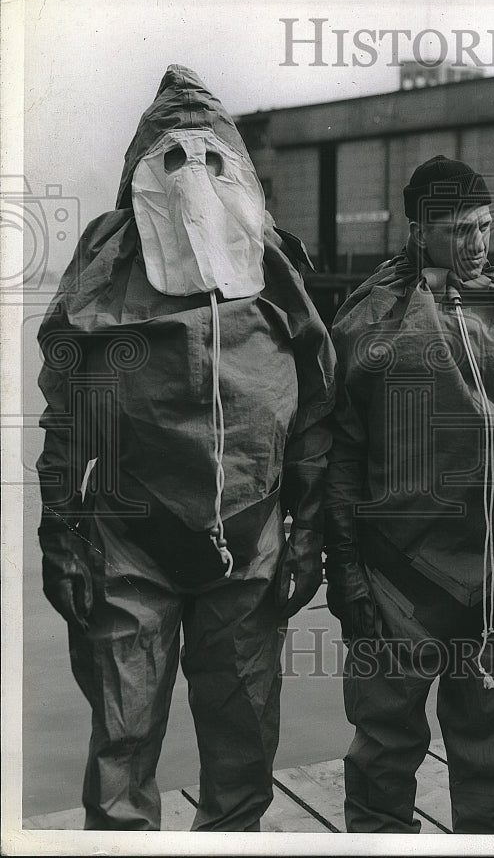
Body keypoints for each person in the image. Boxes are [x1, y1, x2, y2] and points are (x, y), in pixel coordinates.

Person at [35, 64, 336, 831]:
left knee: (242, 743)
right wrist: (60, 533)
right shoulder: (105, 269)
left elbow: (313, 403)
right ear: (142, 170)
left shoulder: (274, 265)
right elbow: (70, 412)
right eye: (172, 158)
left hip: (250, 536)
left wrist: (309, 532)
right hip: (131, 540)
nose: (193, 179)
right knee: (122, 739)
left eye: (210, 159)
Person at [323, 155, 494, 834]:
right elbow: (340, 455)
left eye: (486, 227)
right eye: (460, 230)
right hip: (395, 580)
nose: (479, 243)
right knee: (382, 759)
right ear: (420, 232)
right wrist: (342, 573)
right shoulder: (371, 319)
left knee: (492, 764)